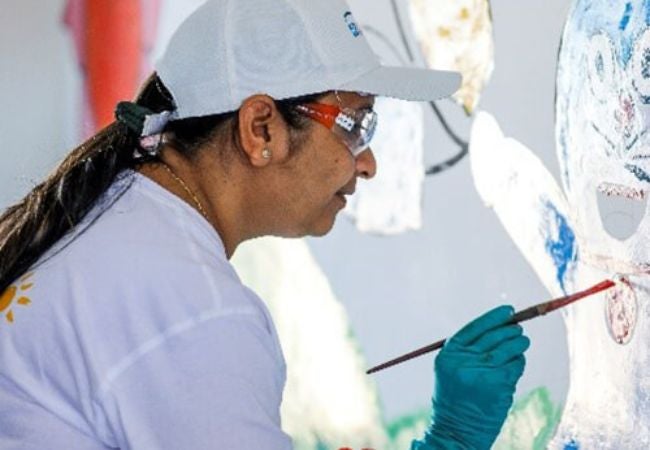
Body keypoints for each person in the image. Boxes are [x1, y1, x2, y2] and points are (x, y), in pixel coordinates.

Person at [0, 0, 530, 449]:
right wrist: (450, 441)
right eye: (356, 126)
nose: (368, 163)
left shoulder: (117, 222)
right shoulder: (192, 308)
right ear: (261, 129)